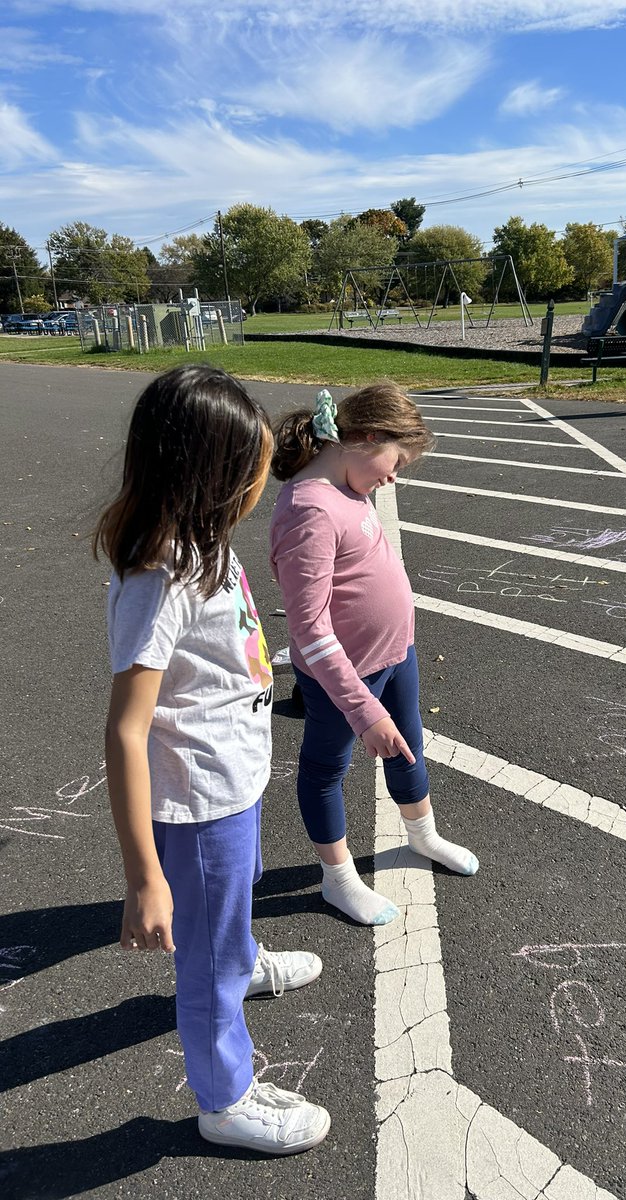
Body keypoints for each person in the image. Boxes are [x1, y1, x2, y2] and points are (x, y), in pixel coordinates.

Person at [96, 365, 330, 1156]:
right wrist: (143, 877)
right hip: (197, 802)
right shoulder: (157, 580)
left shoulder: (203, 543)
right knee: (202, 969)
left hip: (233, 777)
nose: (263, 485)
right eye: (255, 472)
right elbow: (127, 730)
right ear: (211, 476)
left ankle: (244, 956)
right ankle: (224, 1097)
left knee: (233, 909)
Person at [269, 383, 478, 928]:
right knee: (325, 770)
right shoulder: (308, 508)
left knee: (409, 747)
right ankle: (337, 879)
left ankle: (423, 835)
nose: (394, 476)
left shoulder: (349, 484)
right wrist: (365, 711)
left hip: (393, 655)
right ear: (364, 436)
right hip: (345, 678)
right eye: (396, 461)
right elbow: (309, 628)